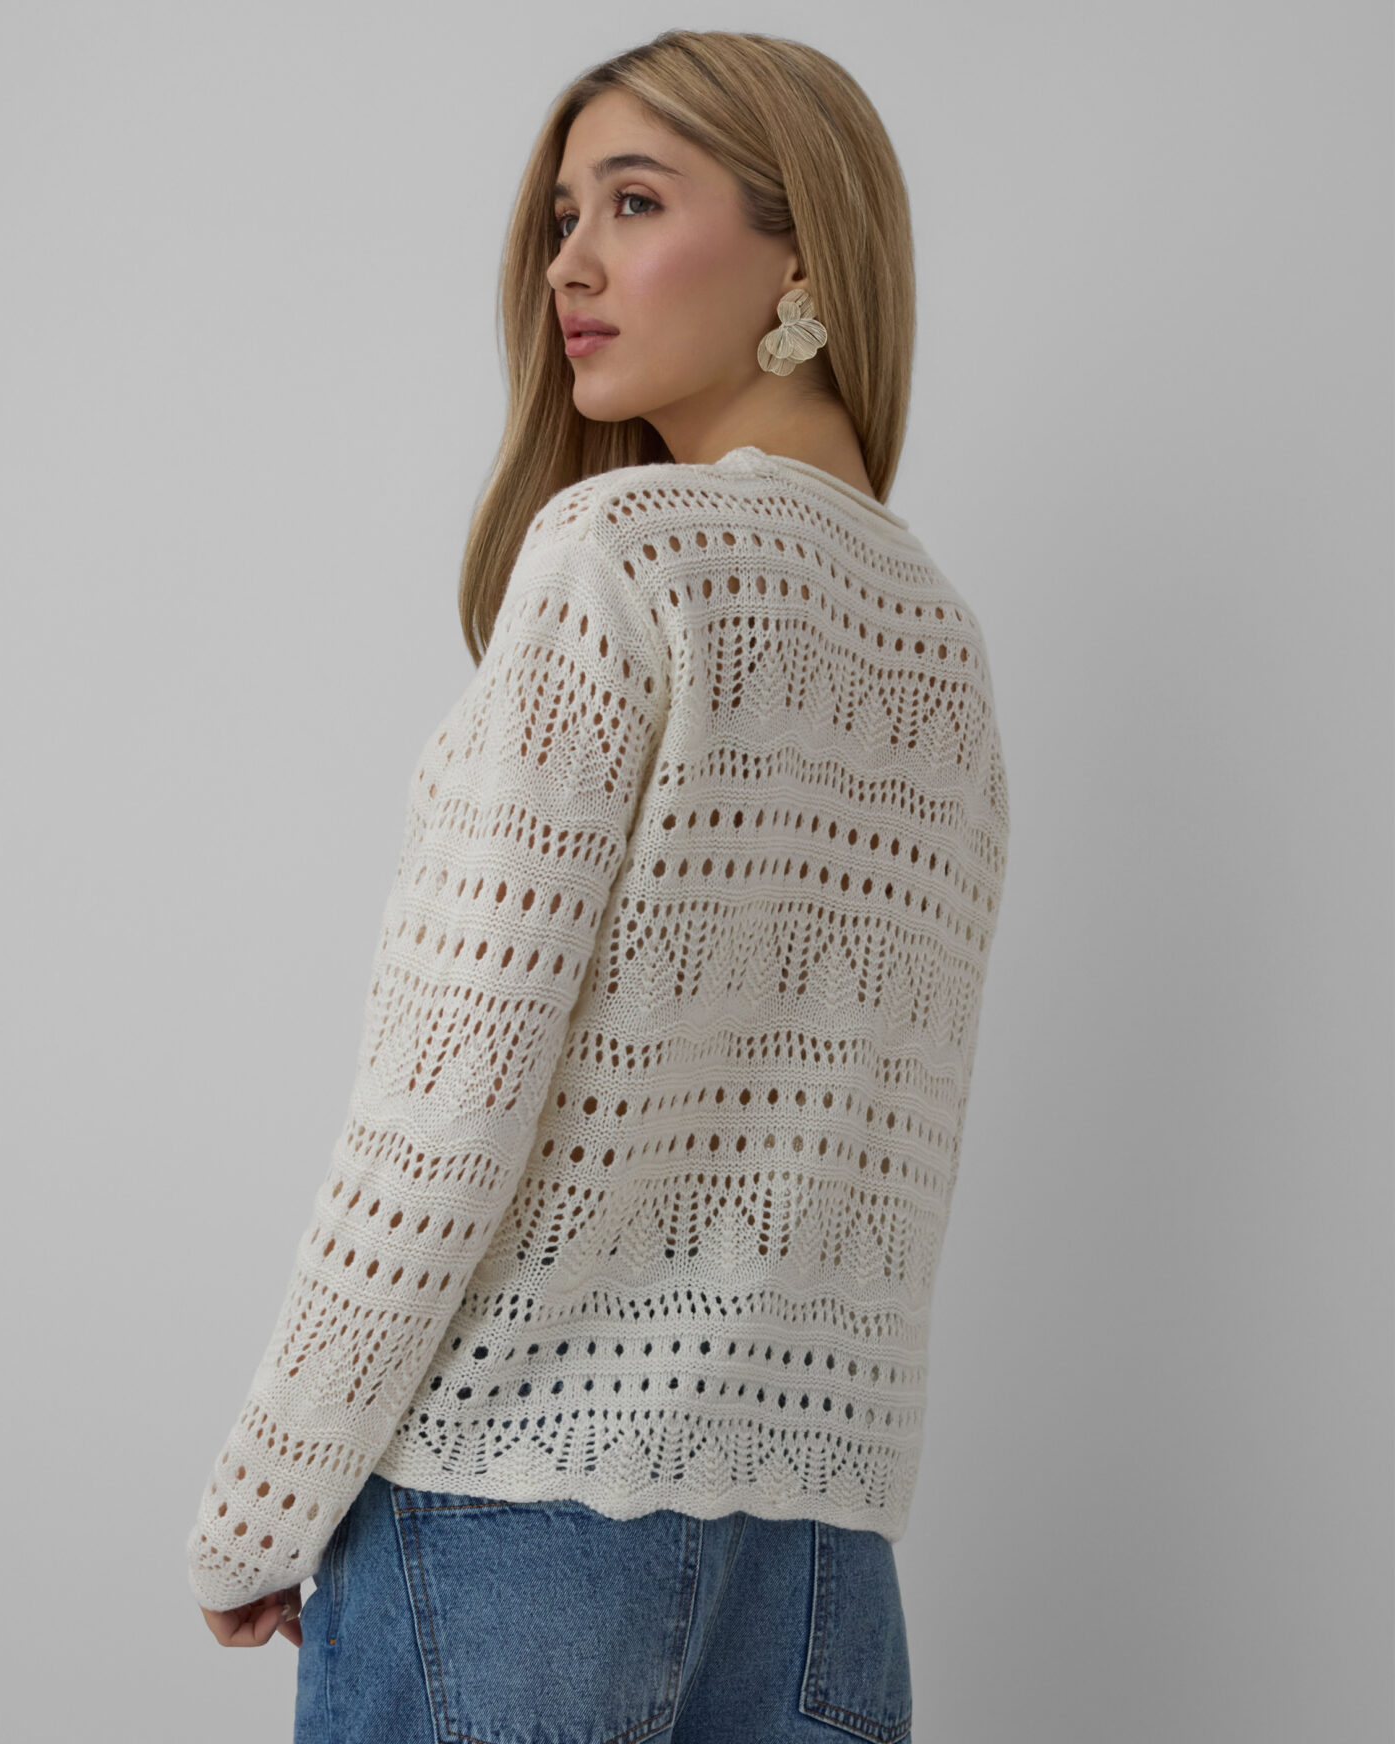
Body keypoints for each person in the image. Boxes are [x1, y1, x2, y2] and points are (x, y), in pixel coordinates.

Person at [187, 28, 1011, 1742]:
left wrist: (264, 1497)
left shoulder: (620, 556)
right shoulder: (939, 643)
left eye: (635, 202)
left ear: (803, 257)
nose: (568, 261)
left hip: (517, 1518)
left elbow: (447, 1109)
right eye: (566, 213)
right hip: (823, 1565)